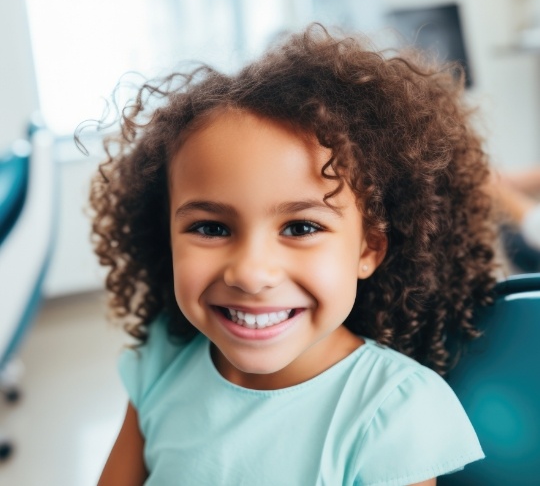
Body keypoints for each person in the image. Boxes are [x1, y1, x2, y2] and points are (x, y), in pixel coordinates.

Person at [90, 25, 497, 486]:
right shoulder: (163, 357)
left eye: (301, 227)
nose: (250, 273)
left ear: (369, 248)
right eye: (210, 227)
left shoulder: (393, 409)